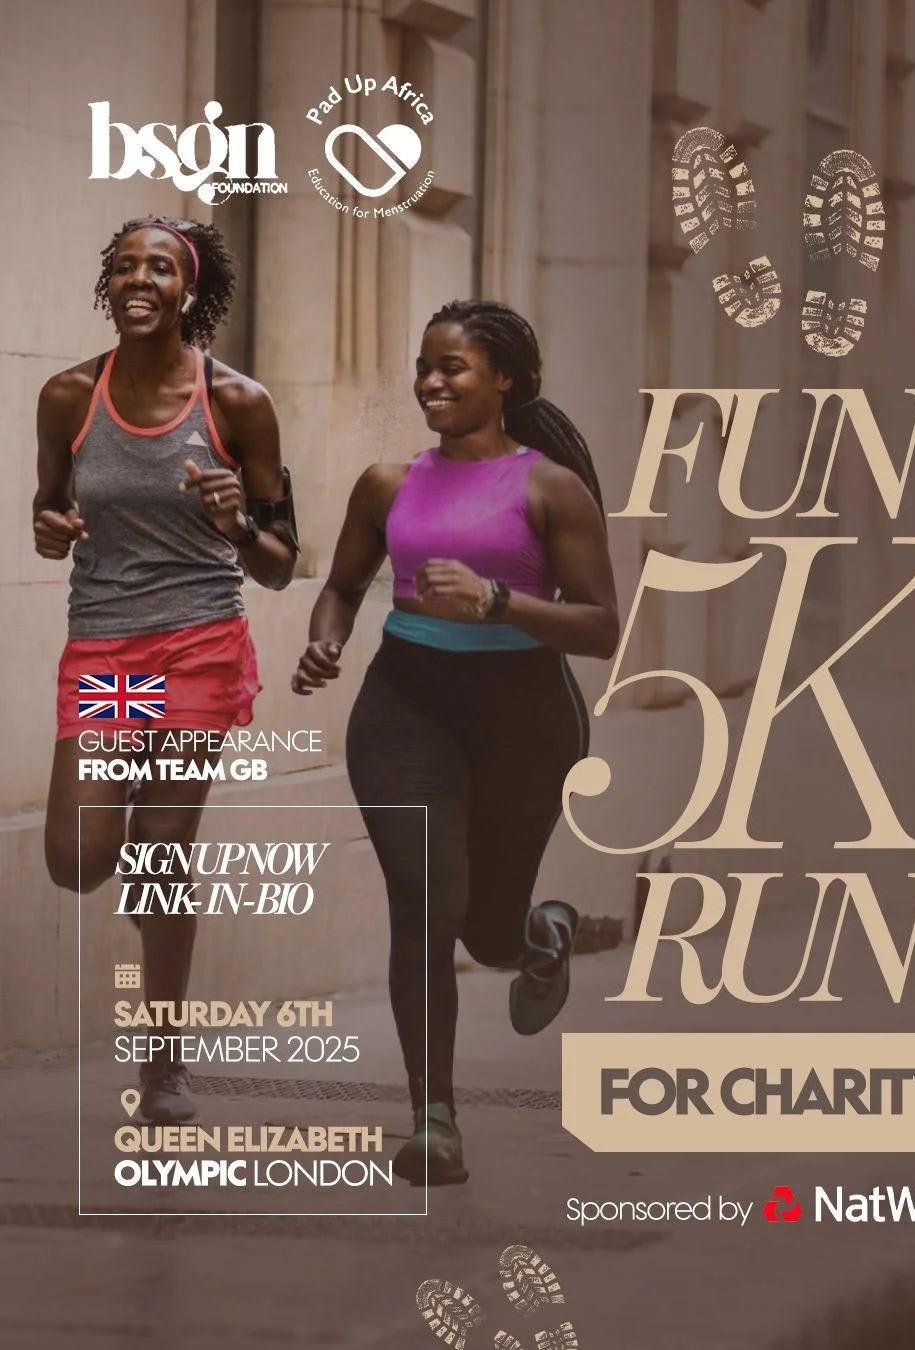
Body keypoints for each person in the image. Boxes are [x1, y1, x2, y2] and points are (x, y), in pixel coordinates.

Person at [292, 299, 618, 1185]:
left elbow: (600, 628)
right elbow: (344, 586)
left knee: (489, 930)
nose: (432, 383)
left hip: (524, 717)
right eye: (425, 368)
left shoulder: (551, 488)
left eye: (454, 368)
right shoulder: (387, 484)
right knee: (425, 895)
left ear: (504, 379)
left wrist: (500, 601)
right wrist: (326, 639)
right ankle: (432, 1116)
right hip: (407, 705)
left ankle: (540, 933)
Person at [35, 216, 298, 1124]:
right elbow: (48, 506)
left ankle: (163, 1063)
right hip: (109, 650)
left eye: (158, 268)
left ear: (189, 290)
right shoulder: (70, 395)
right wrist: (49, 528)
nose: (137, 280)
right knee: (78, 857)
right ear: (106, 285)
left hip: (195, 645)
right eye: (122, 266)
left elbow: (280, 559)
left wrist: (236, 524)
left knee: (157, 855)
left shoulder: (239, 404)